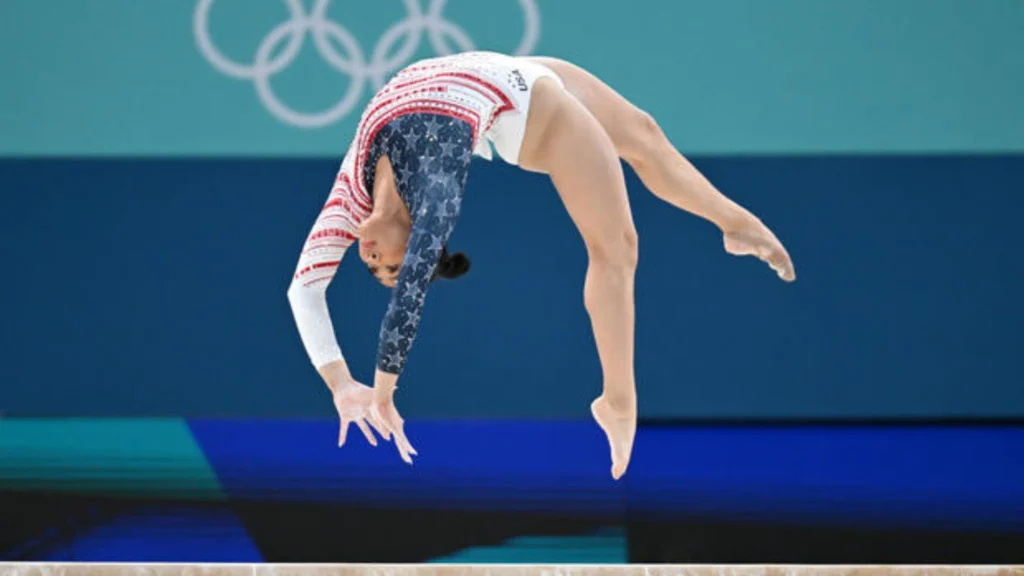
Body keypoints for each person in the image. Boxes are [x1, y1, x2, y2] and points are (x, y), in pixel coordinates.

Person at [287, 51, 795, 480]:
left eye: (377, 269)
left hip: (502, 71)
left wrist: (365, 388)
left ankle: (733, 223)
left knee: (643, 133)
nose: (374, 264)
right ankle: (618, 400)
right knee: (617, 247)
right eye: (388, 270)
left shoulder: (348, 200)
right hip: (534, 114)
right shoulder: (436, 194)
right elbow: (401, 295)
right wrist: (353, 387)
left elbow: (304, 290)